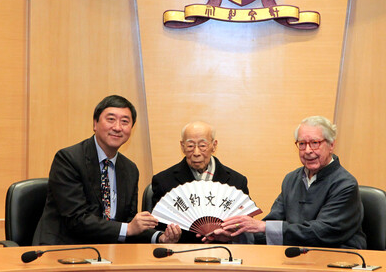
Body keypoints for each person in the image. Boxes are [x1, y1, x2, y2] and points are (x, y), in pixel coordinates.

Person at [33, 95, 181, 245]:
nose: (117, 127)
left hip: (110, 252)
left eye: (125, 122)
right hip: (65, 249)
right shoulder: (68, 159)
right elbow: (76, 219)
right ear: (95, 123)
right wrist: (128, 228)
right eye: (111, 119)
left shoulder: (130, 169)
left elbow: (129, 222)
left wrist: (159, 237)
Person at [206, 116, 366, 249]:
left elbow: (322, 232)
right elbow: (272, 224)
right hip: (296, 255)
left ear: (331, 145)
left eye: (315, 143)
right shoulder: (291, 179)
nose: (308, 150)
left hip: (337, 259)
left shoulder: (345, 184)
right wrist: (234, 235)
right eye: (302, 144)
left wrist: (263, 227)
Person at [151, 121, 249, 243]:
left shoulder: (237, 182)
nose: (196, 153)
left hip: (225, 253)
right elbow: (154, 227)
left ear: (214, 145)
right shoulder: (163, 181)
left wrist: (232, 235)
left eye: (203, 145)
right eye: (190, 146)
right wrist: (164, 237)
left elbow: (245, 230)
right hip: (180, 254)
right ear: (182, 146)